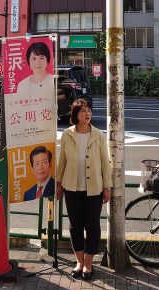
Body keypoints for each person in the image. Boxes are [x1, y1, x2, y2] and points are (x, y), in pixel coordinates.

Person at [56, 98, 112, 280]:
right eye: (83, 111)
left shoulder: (98, 135)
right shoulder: (67, 134)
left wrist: (107, 187)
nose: (87, 114)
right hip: (71, 187)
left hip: (94, 188)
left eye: (89, 110)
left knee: (93, 226)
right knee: (75, 226)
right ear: (75, 114)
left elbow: (105, 163)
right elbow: (62, 161)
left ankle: (88, 264)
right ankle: (79, 261)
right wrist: (58, 185)